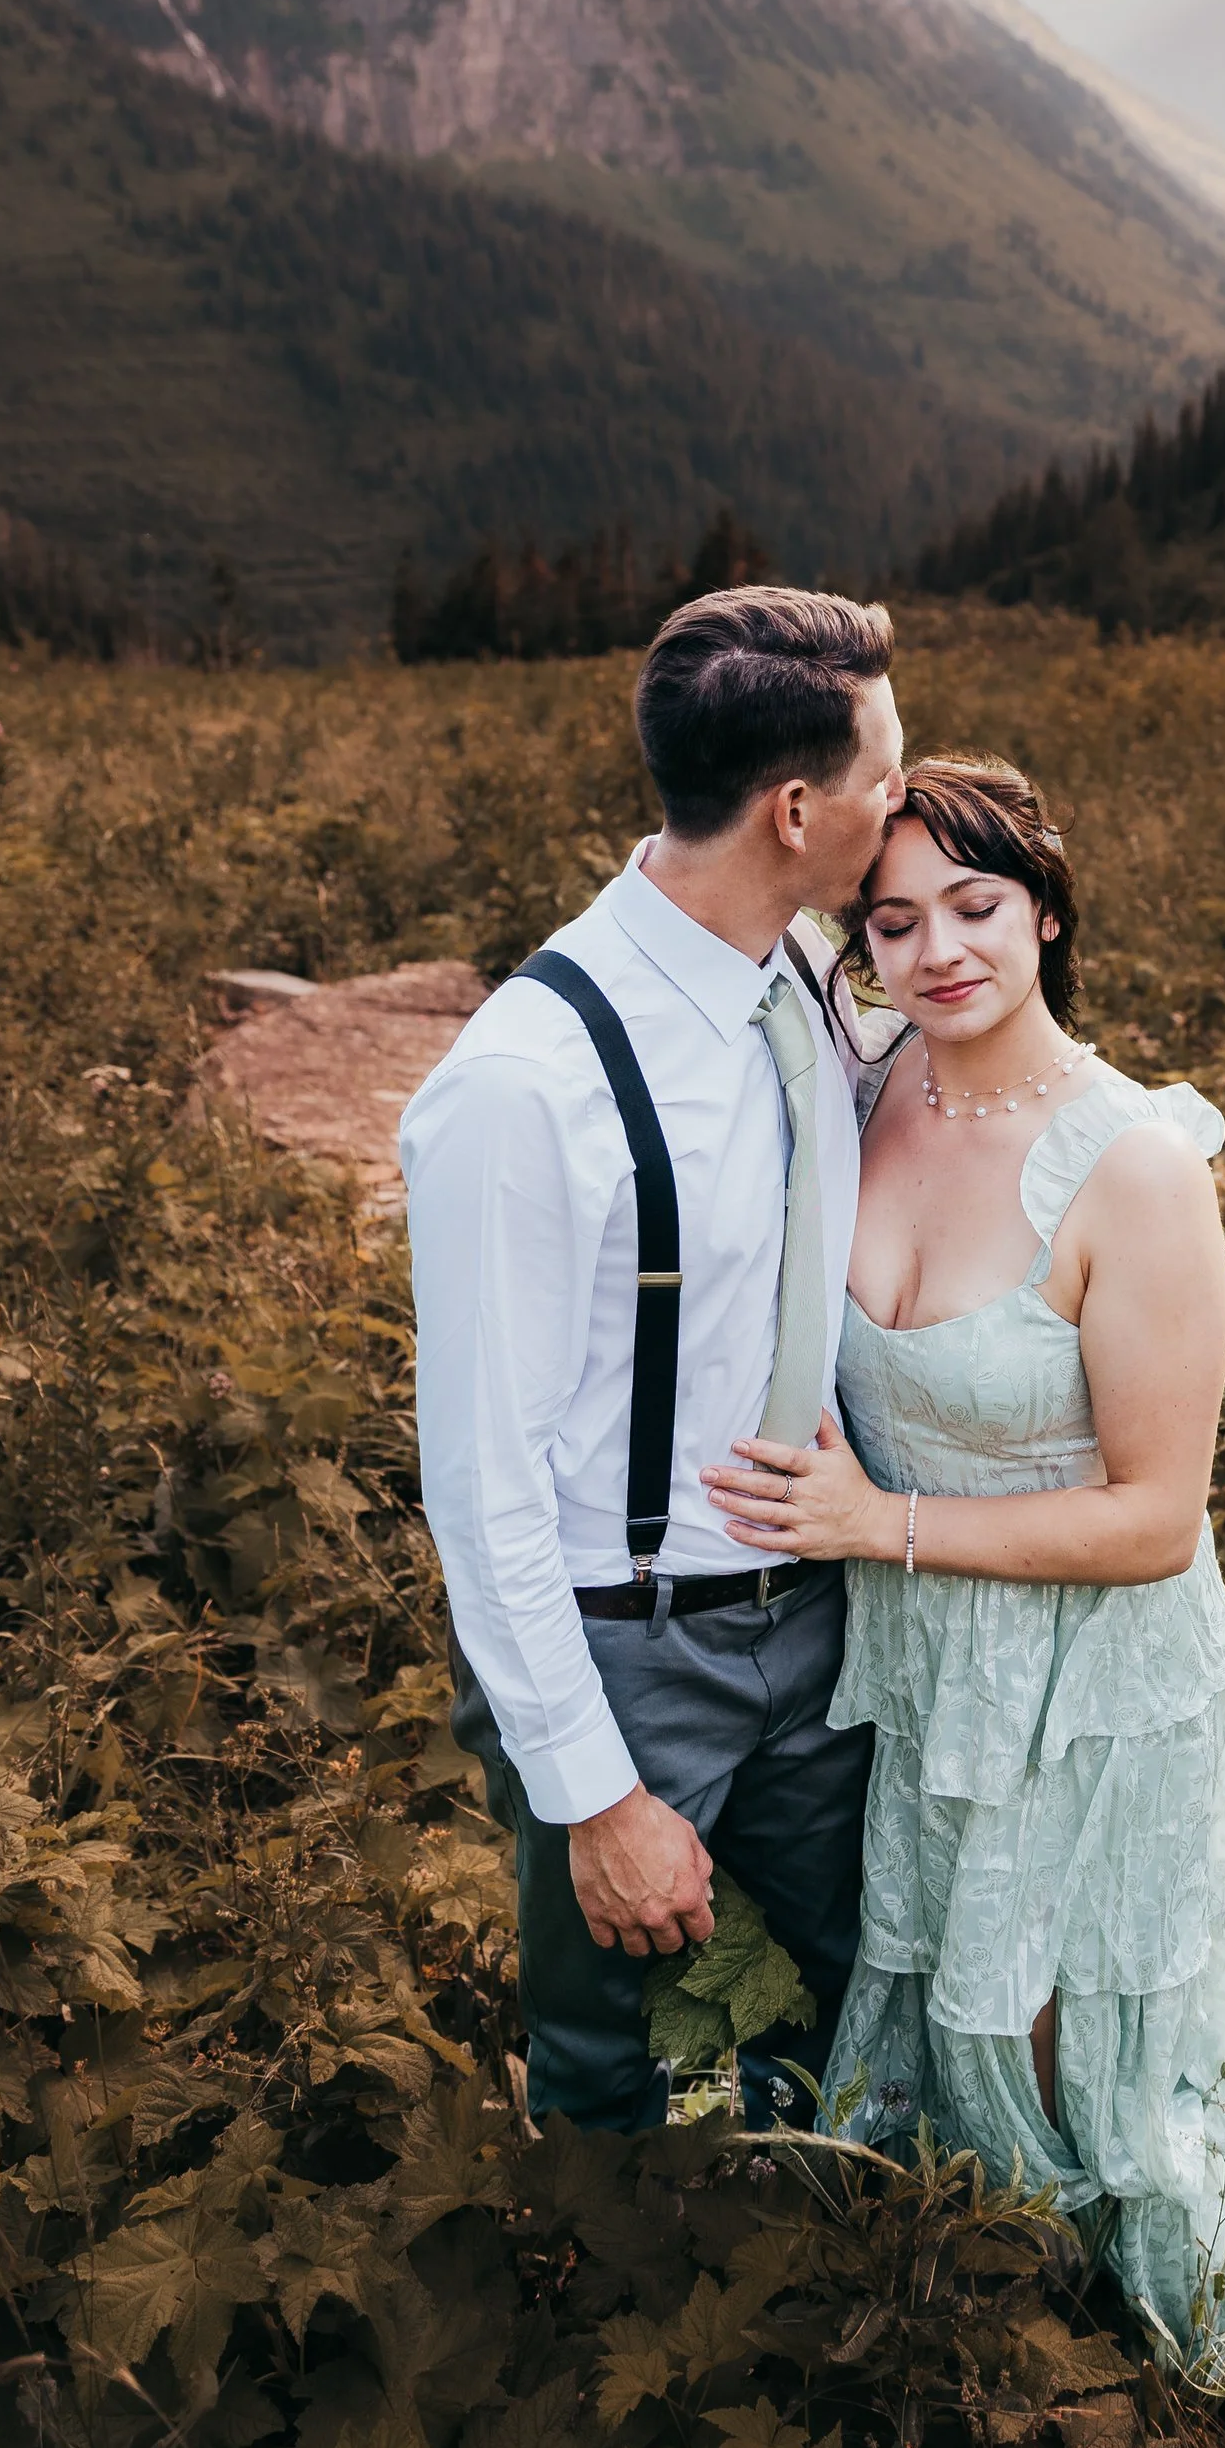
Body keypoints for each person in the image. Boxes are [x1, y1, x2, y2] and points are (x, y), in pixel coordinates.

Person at [701, 754, 1225, 2376]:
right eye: (893, 921)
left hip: (1089, 1675)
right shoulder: (864, 1085)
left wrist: (874, 1524)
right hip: (919, 1662)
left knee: (1057, 2063)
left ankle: (1080, 2355)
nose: (937, 949)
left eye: (974, 904)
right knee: (949, 2026)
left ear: (1044, 907)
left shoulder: (1137, 1169)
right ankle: (966, 2299)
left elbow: (1156, 1516)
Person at [400, 583, 904, 2134]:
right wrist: (599, 1796)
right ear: (798, 807)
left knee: (825, 1999)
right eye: (889, 770)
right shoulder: (524, 1086)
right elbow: (482, 1486)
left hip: (817, 1632)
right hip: (632, 1656)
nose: (906, 793)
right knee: (621, 2058)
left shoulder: (803, 973)